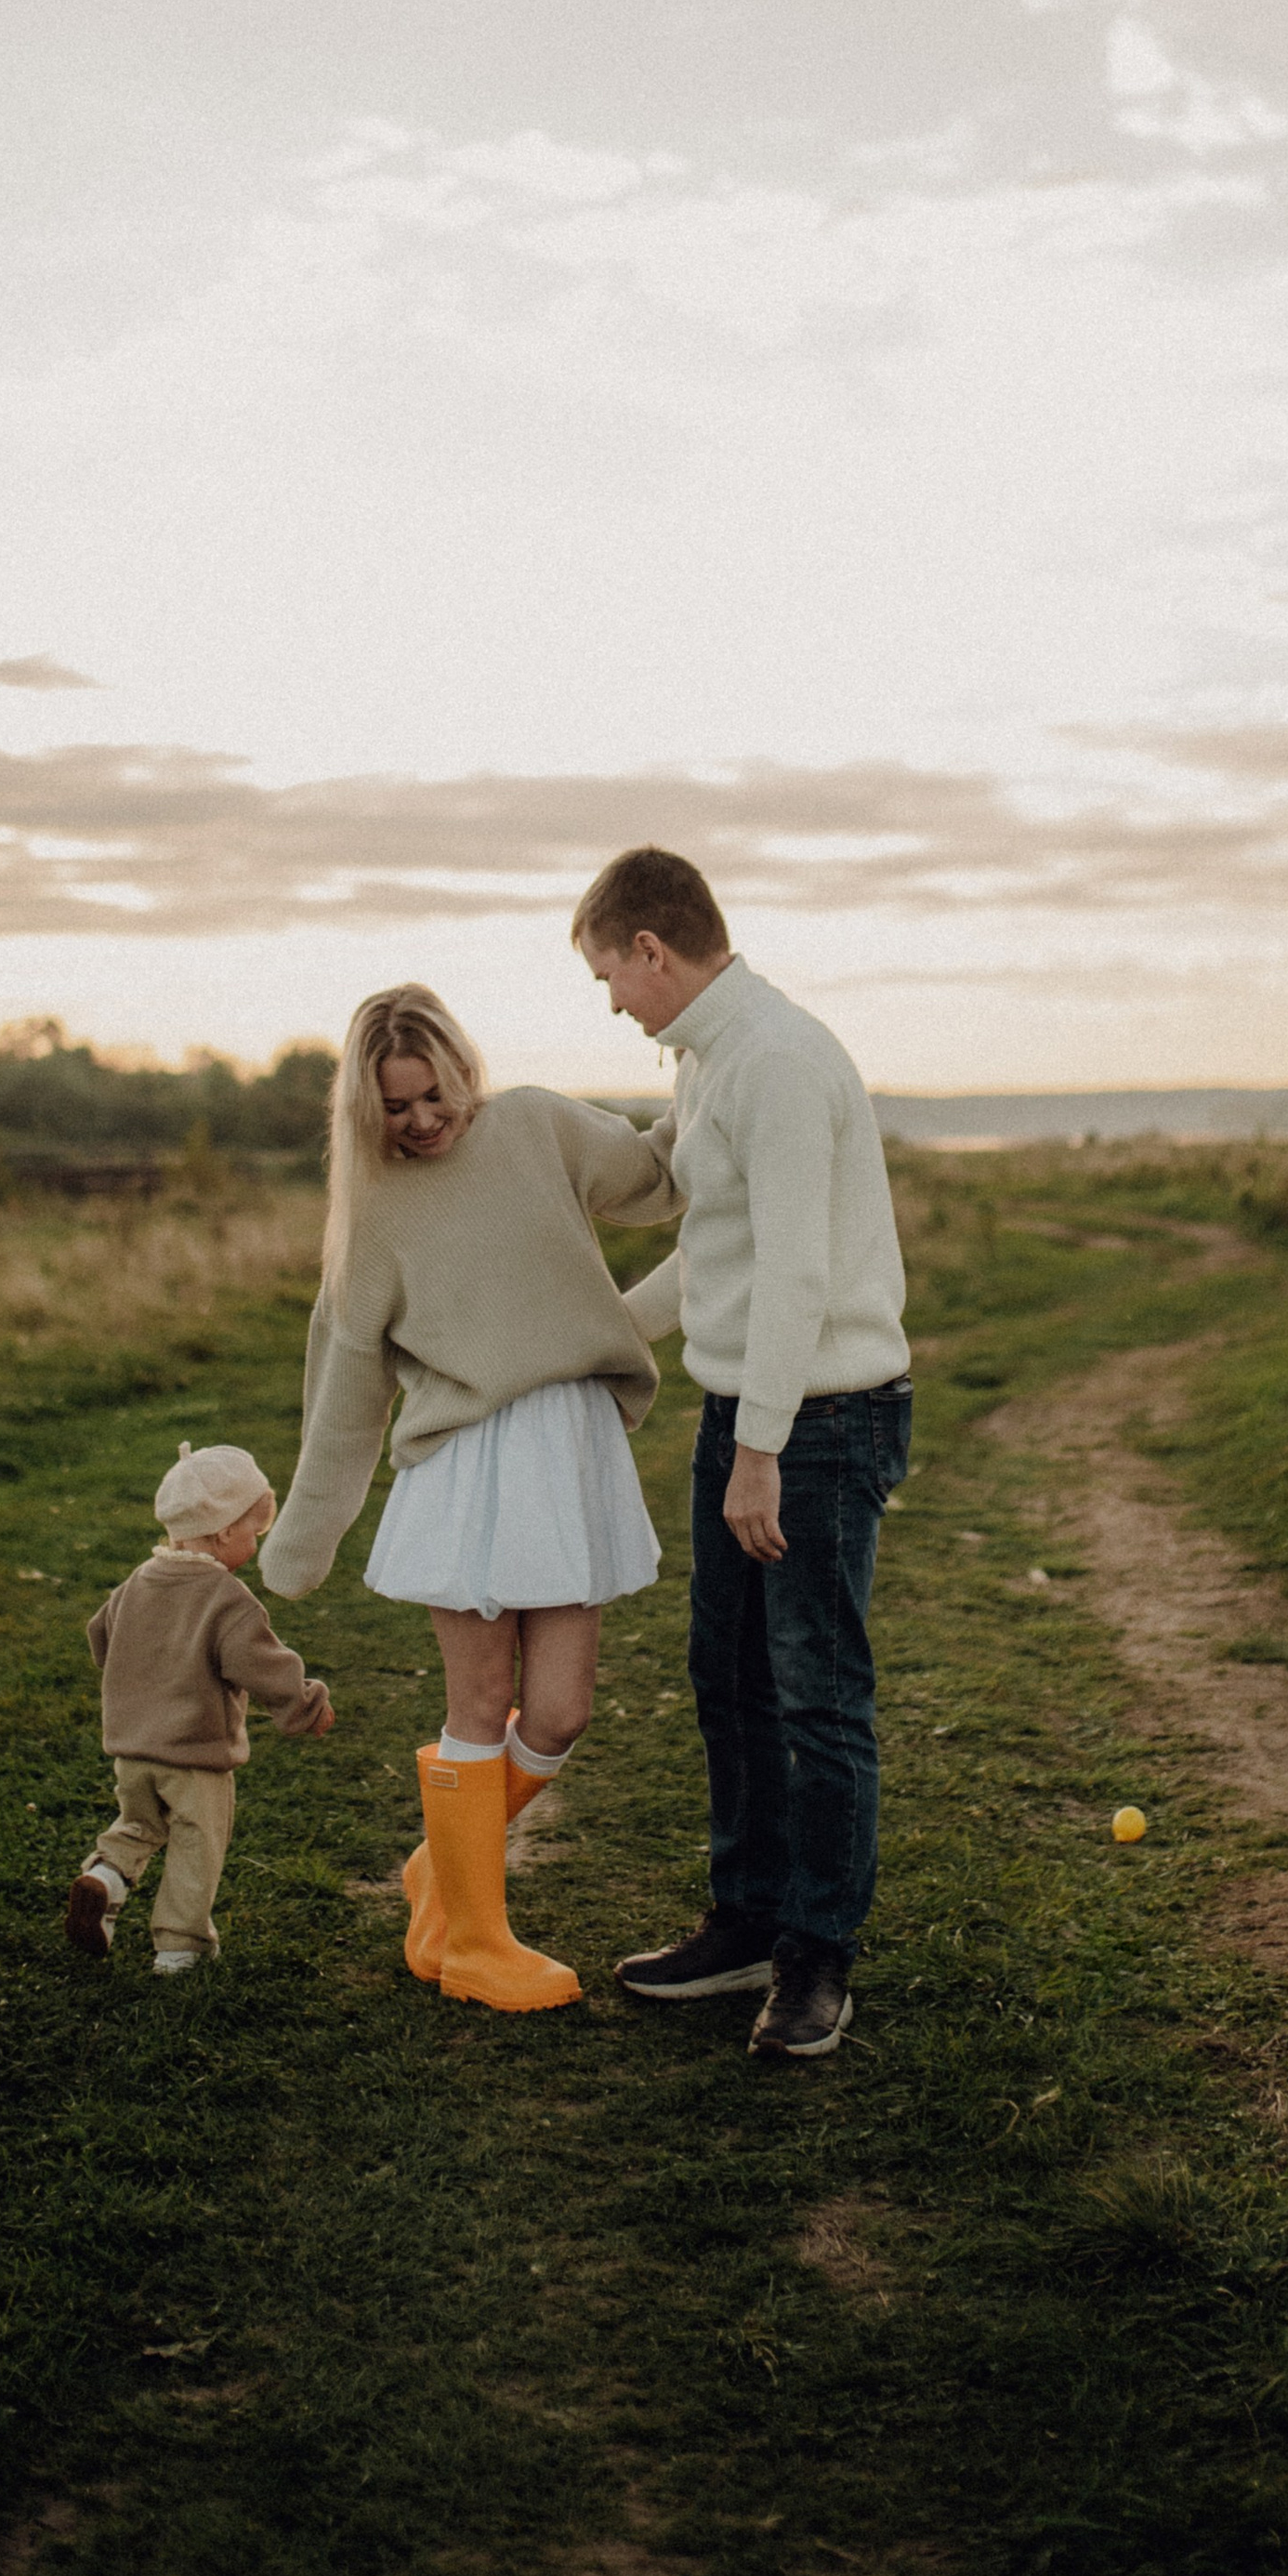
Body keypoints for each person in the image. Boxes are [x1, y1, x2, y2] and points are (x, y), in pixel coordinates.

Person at [258, 983, 682, 2013]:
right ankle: (476, 1943)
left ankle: (443, 1866)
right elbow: (347, 1392)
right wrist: (302, 1539)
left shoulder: (537, 1125)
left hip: (569, 1443)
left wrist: (717, 1072)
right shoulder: (374, 1212)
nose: (421, 1119)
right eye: (394, 1106)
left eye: (432, 1093)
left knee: (561, 1711)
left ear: (462, 1067)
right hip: (466, 1463)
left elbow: (658, 1177)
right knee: (478, 1705)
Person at [573, 847, 912, 2060]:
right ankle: (749, 1921)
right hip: (749, 1411)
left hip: (821, 1418)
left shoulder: (776, 1058)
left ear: (652, 949)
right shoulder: (707, 1055)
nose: (612, 1001)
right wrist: (592, 1338)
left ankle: (817, 1956)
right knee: (727, 1676)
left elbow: (798, 1272)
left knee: (816, 1692)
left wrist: (758, 1448)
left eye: (609, 975)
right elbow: (715, 1250)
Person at [64, 1439, 335, 1972]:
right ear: (224, 1531)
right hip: (196, 1756)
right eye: (254, 1533)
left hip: (133, 1751)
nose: (254, 1545)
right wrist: (305, 1705)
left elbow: (100, 1637)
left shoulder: (137, 1582)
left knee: (138, 1824)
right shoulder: (227, 1599)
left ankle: (105, 1877)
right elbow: (263, 1665)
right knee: (197, 1844)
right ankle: (180, 1947)